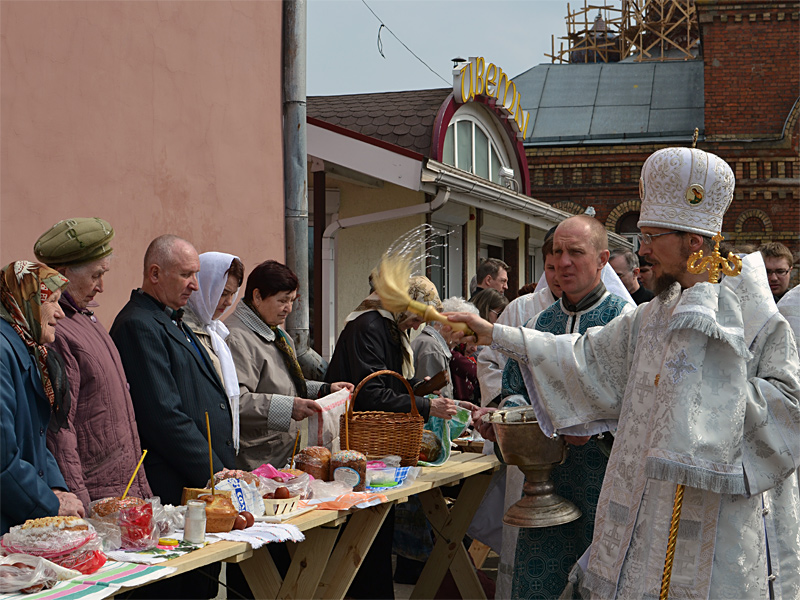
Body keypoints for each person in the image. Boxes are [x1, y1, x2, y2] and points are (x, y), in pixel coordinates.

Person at [452, 147, 800, 598]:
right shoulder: (651, 316)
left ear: (693, 241)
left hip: (719, 527)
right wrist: (493, 333)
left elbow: (788, 412)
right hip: (647, 517)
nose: (642, 250)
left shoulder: (755, 317)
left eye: (652, 236)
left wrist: (707, 392)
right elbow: (584, 356)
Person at [503, 215, 633, 600]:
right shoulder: (536, 324)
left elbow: (642, 404)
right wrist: (508, 418)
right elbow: (514, 390)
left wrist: (597, 431)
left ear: (602, 259)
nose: (563, 263)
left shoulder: (625, 323)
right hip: (545, 484)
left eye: (575, 252)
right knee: (539, 583)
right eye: (557, 252)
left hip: (605, 481)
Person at [325, 275, 458, 600]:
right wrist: (427, 405)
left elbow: (388, 384)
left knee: (374, 538)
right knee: (364, 542)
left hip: (371, 449)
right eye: (416, 317)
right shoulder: (370, 326)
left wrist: (423, 390)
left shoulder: (385, 326)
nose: (416, 326)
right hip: (357, 446)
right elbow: (371, 392)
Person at [34, 218, 151, 512]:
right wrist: (78, 502)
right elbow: (60, 430)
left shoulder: (85, 318)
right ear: (62, 274)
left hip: (121, 488)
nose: (101, 287)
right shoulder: (57, 331)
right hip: (96, 495)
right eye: (96, 275)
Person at [110, 236, 235, 506]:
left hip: (201, 481)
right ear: (155, 274)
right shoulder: (138, 324)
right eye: (186, 274)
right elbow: (162, 415)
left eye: (196, 274)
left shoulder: (172, 317)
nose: (195, 285)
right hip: (177, 484)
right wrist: (214, 472)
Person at [225, 260, 352, 470]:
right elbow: (236, 402)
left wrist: (325, 389)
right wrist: (289, 407)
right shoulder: (236, 338)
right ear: (257, 296)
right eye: (283, 300)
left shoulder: (277, 334)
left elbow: (288, 385)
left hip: (280, 456)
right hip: (255, 461)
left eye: (292, 300)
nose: (289, 309)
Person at [1, 261, 84, 533]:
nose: (60, 313)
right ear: (26, 300)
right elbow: (3, 459)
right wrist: (51, 504)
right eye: (53, 301)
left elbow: (36, 438)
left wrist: (56, 488)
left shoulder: (27, 347)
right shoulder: (4, 351)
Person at [184, 252, 245, 456]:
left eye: (233, 294)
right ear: (203, 286)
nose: (228, 302)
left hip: (218, 446)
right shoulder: (182, 329)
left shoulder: (216, 331)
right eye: (223, 293)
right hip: (198, 449)